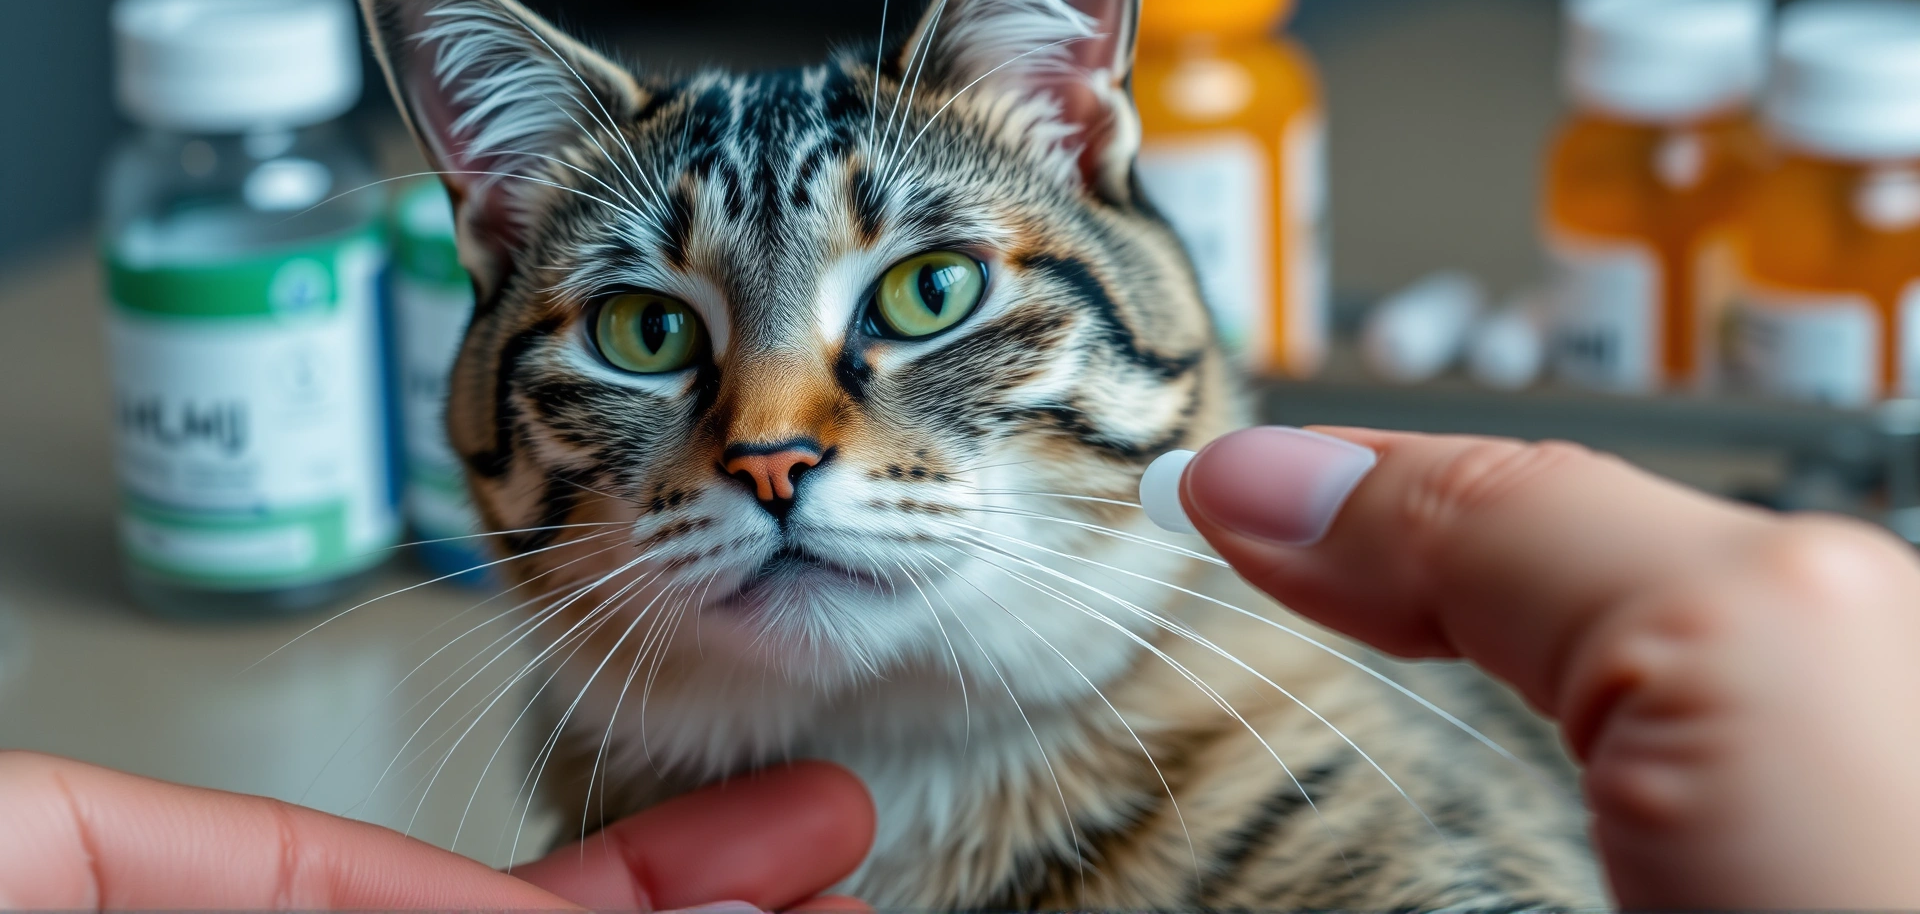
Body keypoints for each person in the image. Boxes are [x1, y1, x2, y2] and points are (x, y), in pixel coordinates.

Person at [6, 426, 1920, 910]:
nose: (775, 442)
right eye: (637, 334)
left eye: (928, 299)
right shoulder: (603, 790)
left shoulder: (1288, 708)